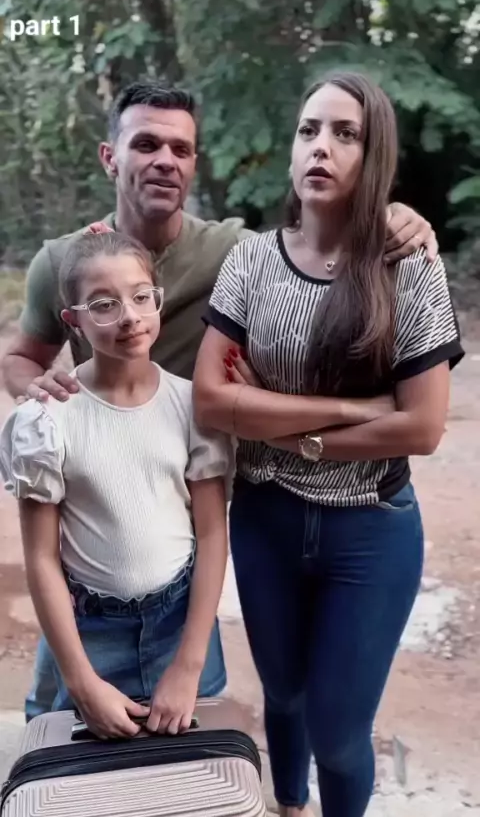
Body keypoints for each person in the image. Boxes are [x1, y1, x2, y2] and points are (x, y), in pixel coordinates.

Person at [0, 79, 437, 720]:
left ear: (194, 163)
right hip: (93, 514)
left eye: (180, 149)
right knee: (59, 714)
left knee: (189, 711)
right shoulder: (63, 262)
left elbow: (314, 236)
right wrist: (40, 391)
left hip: (187, 485)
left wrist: (395, 214)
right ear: (110, 157)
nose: (164, 161)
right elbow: (21, 358)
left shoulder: (230, 251)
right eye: (146, 144)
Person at [192, 72, 464, 817]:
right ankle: (289, 803)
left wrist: (282, 426)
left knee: (339, 735)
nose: (322, 147)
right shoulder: (251, 261)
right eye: (309, 130)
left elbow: (421, 427)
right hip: (266, 519)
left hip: (369, 532)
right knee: (282, 694)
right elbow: (214, 401)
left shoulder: (409, 268)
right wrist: (349, 411)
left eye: (346, 135)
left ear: (374, 157)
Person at [0, 231, 232, 739]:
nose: (129, 316)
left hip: (182, 623)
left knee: (189, 764)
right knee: (77, 768)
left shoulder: (192, 406)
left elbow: (213, 534)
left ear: (157, 299)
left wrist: (189, 665)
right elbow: (41, 557)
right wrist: (82, 683)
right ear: (73, 320)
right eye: (104, 304)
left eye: (141, 296)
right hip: (90, 631)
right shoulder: (46, 419)